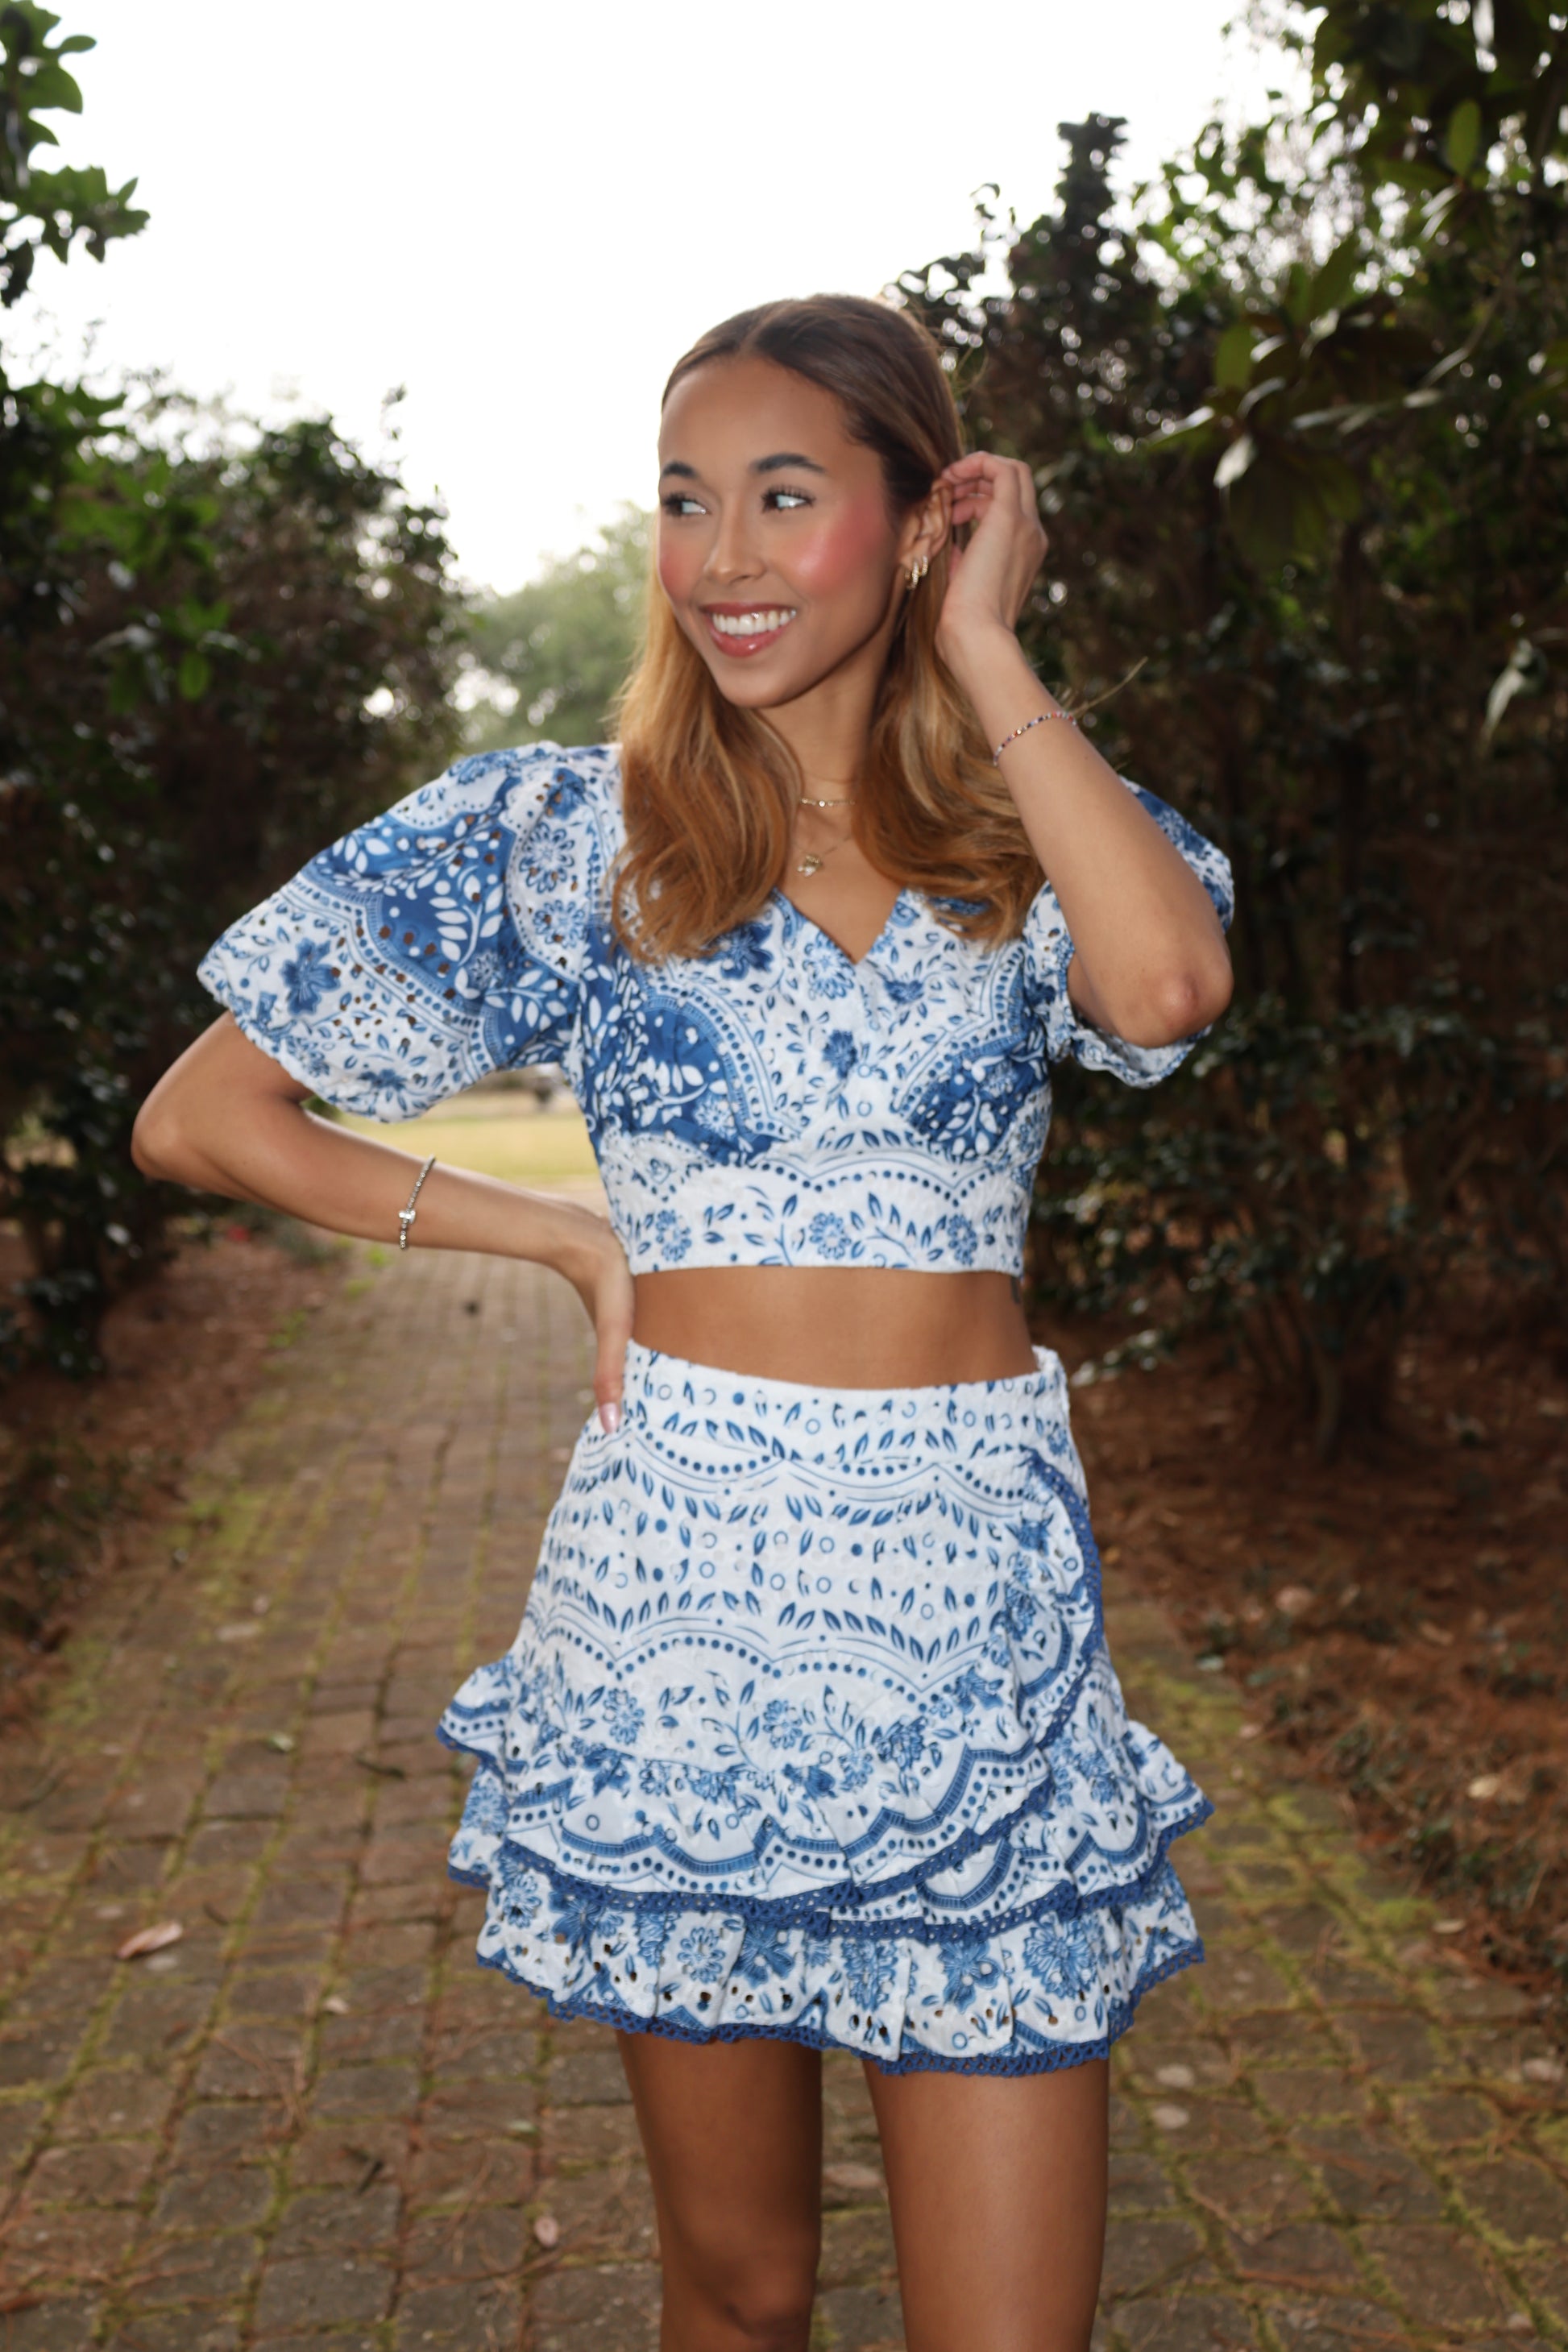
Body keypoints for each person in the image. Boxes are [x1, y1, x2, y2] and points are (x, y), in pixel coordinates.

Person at [135, 294, 1234, 2352]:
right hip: (678, 1610)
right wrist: (557, 1240)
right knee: (740, 2290)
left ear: (923, 518)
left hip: (971, 1607)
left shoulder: (1027, 823)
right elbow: (204, 1115)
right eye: (682, 498)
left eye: (785, 496)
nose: (721, 554)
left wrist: (992, 652)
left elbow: (1167, 990)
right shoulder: (566, 831)